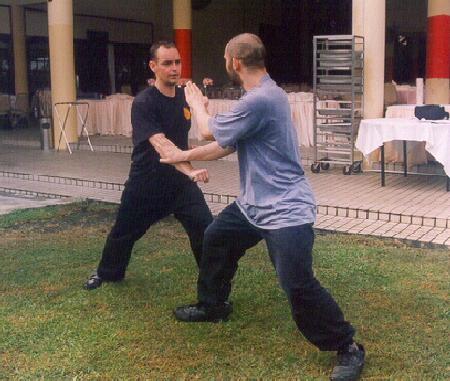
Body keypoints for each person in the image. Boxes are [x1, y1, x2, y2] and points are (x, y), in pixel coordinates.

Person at [156, 34, 365, 381]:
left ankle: (347, 346)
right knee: (216, 238)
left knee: (296, 283)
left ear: (235, 62)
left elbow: (209, 133)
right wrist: (184, 157)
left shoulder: (262, 99)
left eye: (226, 58)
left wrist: (198, 105)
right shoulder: (261, 95)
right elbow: (226, 145)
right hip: (252, 205)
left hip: (285, 209)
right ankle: (214, 304)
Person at [84, 41, 213, 290]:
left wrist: (201, 108)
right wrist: (190, 169)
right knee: (124, 232)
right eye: (167, 63)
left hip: (180, 185)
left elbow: (203, 131)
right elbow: (161, 144)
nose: (174, 68)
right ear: (153, 66)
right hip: (147, 182)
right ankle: (108, 273)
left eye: (177, 62)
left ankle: (213, 287)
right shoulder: (144, 102)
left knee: (205, 230)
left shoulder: (184, 97)